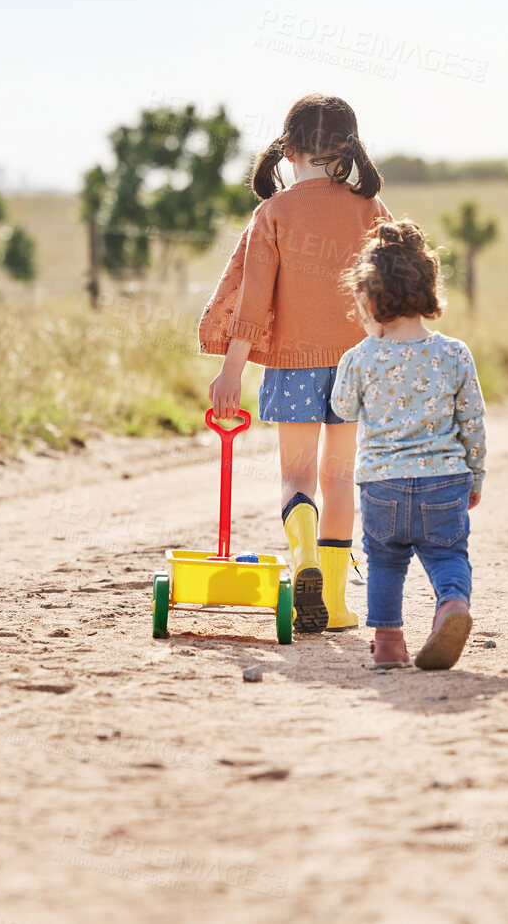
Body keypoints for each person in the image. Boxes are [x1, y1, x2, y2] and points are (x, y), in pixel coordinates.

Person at [199, 93, 388, 634]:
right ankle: (333, 604)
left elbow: (252, 301)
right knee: (339, 479)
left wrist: (232, 369)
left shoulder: (273, 213)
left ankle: (302, 559)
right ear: (347, 150)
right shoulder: (371, 210)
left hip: (291, 365)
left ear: (287, 151)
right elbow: (387, 289)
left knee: (296, 476)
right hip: (356, 366)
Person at [330, 220, 486, 670]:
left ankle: (388, 645)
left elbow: (343, 409)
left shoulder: (360, 356)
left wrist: (358, 354)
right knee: (447, 553)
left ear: (372, 300)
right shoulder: (455, 353)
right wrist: (474, 477)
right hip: (445, 481)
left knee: (383, 560)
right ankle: (452, 605)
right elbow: (472, 420)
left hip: (382, 485)